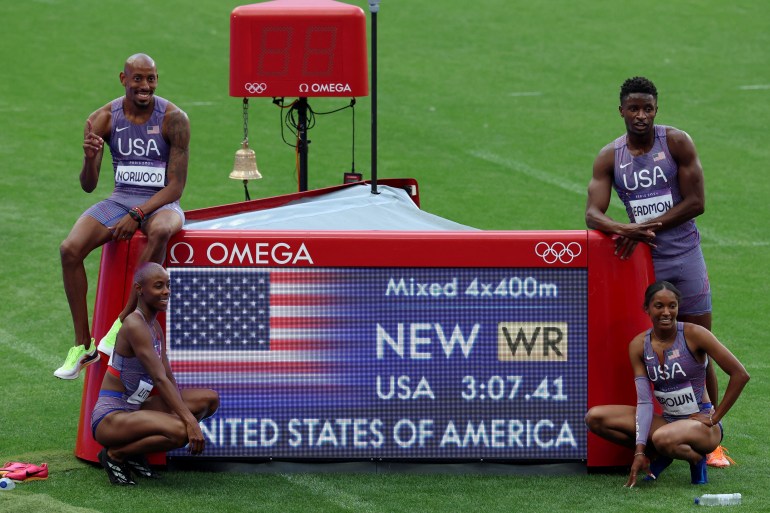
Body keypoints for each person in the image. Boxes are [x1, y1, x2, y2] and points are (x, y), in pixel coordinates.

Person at [584, 76, 732, 468]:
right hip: (644, 266)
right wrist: (623, 229)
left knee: (701, 347)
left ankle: (711, 438)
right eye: (633, 108)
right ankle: (661, 432)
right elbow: (592, 213)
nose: (640, 115)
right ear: (621, 111)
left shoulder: (676, 143)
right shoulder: (609, 157)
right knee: (656, 351)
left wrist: (645, 229)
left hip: (685, 258)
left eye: (647, 108)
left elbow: (697, 201)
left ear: (656, 110)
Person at [55, 53, 189, 379]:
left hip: (160, 205)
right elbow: (88, 186)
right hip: (120, 199)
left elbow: (176, 187)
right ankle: (82, 345)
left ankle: (122, 322)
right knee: (69, 249)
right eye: (138, 79)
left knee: (159, 232)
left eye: (151, 79)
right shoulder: (102, 119)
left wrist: (139, 213)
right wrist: (89, 160)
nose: (145, 86)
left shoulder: (174, 119)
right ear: (123, 79)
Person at [585, 281, 749, 487]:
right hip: (668, 423)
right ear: (647, 308)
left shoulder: (694, 334)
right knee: (595, 418)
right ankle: (658, 453)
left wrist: (715, 417)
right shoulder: (638, 345)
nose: (666, 312)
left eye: (672, 306)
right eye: (659, 306)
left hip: (702, 426)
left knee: (663, 437)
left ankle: (696, 458)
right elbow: (644, 402)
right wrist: (640, 450)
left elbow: (740, 374)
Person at [91, 262, 219, 485]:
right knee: (181, 432)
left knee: (208, 400)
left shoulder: (154, 326)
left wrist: (184, 414)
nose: (166, 291)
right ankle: (115, 455)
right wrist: (189, 422)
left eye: (168, 285)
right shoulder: (134, 324)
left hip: (136, 409)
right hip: (111, 418)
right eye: (159, 286)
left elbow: (167, 377)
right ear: (140, 289)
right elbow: (158, 377)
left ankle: (131, 452)